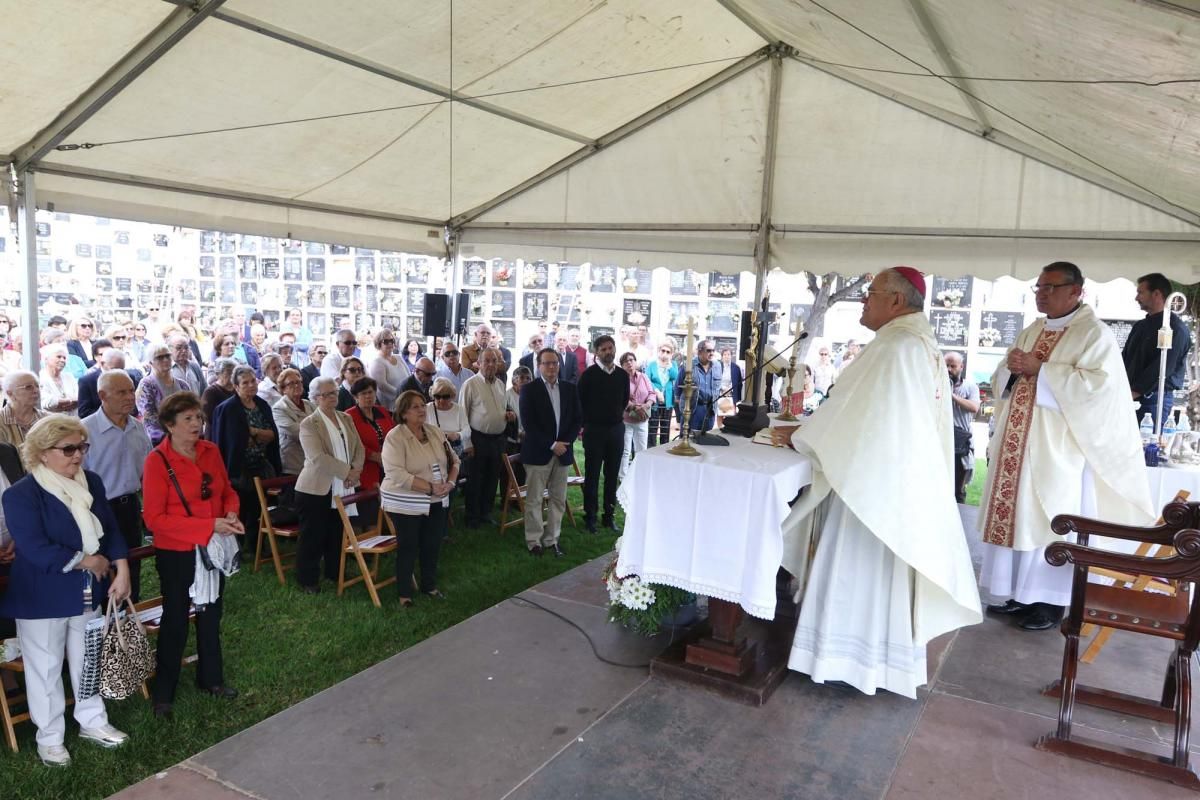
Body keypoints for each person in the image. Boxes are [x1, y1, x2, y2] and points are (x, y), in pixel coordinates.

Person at [771, 267, 982, 698]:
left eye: (872, 293)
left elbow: (860, 415)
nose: (864, 301)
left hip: (872, 488)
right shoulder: (917, 342)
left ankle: (839, 658)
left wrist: (803, 434)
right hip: (893, 483)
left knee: (856, 568)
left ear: (897, 301)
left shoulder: (898, 346)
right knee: (876, 578)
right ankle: (873, 663)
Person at [979, 261, 1155, 631]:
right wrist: (1012, 368)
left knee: (1049, 520)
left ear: (1077, 291)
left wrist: (1041, 369)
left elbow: (1100, 390)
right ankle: (1018, 595)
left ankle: (1049, 603)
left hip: (1058, 453)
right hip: (1018, 445)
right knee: (1018, 518)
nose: (1042, 293)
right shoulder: (1032, 329)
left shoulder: (1094, 334)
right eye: (1038, 287)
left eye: (1050, 287)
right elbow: (1004, 376)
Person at [1, 415, 132, 764]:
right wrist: (88, 560)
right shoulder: (21, 495)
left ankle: (92, 721)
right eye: (69, 449)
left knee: (88, 659)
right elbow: (33, 547)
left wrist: (122, 568)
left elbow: (111, 530)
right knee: (44, 668)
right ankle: (50, 737)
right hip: (41, 596)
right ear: (43, 453)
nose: (78, 456)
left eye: (82, 447)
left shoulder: (91, 481)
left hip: (88, 591)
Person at [142, 392, 241, 718]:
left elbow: (227, 491)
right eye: (188, 419)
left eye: (199, 417)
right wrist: (207, 525)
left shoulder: (210, 451)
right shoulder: (157, 461)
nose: (197, 424)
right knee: (175, 621)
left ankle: (211, 680)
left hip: (212, 549)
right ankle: (164, 694)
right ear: (169, 425)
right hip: (178, 552)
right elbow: (154, 520)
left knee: (212, 613)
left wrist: (229, 513)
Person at [380, 390, 458, 607]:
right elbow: (396, 473)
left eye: (423, 405)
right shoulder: (395, 437)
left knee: (432, 544)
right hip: (405, 500)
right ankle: (404, 593)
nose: (422, 409)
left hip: (437, 496)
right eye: (415, 406)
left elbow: (455, 460)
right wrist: (430, 487)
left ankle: (429, 586)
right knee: (408, 546)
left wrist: (449, 484)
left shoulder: (434, 431)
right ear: (403, 413)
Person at [82, 370, 153, 603]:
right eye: (121, 392)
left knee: (131, 561)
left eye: (131, 391)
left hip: (130, 505)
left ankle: (130, 617)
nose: (129, 397)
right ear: (102, 395)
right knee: (102, 567)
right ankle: (104, 622)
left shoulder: (138, 427)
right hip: (98, 509)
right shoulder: (85, 430)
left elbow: (147, 470)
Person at [294, 377, 364, 594]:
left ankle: (335, 571)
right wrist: (347, 472)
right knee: (313, 535)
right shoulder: (308, 424)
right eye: (326, 394)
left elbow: (358, 447)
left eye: (334, 392)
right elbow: (317, 457)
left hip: (343, 484)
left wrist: (356, 471)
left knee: (337, 532)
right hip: (315, 488)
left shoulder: (346, 418)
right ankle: (308, 579)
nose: (332, 397)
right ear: (315, 398)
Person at [211, 366, 282, 559]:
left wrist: (255, 433)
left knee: (258, 508)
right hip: (237, 468)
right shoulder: (227, 409)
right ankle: (236, 549)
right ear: (235, 386)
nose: (251, 385)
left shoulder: (262, 404)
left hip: (261, 463)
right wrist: (254, 435)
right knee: (238, 509)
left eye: (253, 381)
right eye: (245, 383)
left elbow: (272, 435)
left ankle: (256, 545)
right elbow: (226, 441)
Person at [520, 348, 582, 556]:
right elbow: (529, 424)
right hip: (539, 452)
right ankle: (534, 541)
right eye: (547, 363)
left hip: (563, 451)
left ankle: (552, 539)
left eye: (555, 363)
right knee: (535, 499)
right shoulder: (529, 390)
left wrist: (565, 442)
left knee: (558, 498)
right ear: (539, 366)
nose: (552, 367)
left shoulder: (569, 388)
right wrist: (551, 444)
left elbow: (577, 419)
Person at [1123, 272, 1192, 427]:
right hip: (1128, 396)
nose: (1136, 298)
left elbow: (1164, 367)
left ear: (1156, 294)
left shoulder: (1176, 329)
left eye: (1140, 292)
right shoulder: (1140, 326)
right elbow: (1125, 359)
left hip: (1153, 400)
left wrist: (1135, 392)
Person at [578, 335, 630, 533]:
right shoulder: (589, 375)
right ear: (596, 353)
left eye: (611, 348)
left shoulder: (622, 376)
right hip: (594, 430)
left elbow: (624, 400)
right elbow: (580, 402)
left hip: (616, 430)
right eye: (604, 349)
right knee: (592, 475)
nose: (608, 352)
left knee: (612, 475)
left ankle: (609, 516)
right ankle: (590, 517)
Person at [459, 349, 514, 528]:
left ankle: (486, 512)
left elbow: (500, 408)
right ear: (479, 363)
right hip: (478, 438)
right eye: (487, 361)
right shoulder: (470, 384)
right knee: (476, 478)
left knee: (492, 478)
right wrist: (467, 443)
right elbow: (462, 415)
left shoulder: (500, 384)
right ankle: (472, 516)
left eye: (494, 361)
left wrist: (507, 415)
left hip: (498, 439)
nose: (491, 364)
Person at [346, 377, 395, 523]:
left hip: (388, 464)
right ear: (355, 397)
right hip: (364, 468)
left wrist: (388, 456)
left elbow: (393, 434)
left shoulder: (382, 411)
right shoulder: (349, 416)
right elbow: (351, 443)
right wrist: (375, 456)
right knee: (370, 511)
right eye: (363, 394)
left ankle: (389, 530)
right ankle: (371, 534)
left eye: (371, 392)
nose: (368, 396)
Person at [137, 343, 191, 445]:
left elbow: (191, 411)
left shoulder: (183, 385)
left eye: (167, 356)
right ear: (150, 362)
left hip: (185, 438)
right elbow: (149, 418)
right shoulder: (146, 385)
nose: (165, 360)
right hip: (160, 441)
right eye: (160, 357)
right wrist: (171, 437)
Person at [944, 352, 979, 504]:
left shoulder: (970, 386)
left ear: (961, 367)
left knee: (958, 489)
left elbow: (974, 407)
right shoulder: (936, 385)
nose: (948, 369)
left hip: (961, 443)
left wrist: (951, 396)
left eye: (953, 366)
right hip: (941, 440)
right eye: (946, 365)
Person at [619, 352, 655, 480]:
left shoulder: (643, 377)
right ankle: (623, 478)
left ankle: (640, 476)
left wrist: (646, 405)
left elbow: (652, 393)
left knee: (642, 449)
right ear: (622, 365)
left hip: (642, 418)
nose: (629, 363)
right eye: (626, 361)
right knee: (625, 450)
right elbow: (620, 397)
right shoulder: (620, 379)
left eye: (632, 360)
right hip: (626, 419)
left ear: (635, 362)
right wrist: (634, 407)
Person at [272, 368, 314, 476]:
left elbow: (324, 425)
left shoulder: (309, 404)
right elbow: (297, 432)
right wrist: (316, 428)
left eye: (298, 382)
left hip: (314, 461)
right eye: (291, 383)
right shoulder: (279, 409)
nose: (297, 385)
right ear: (283, 389)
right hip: (294, 465)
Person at [679, 339, 722, 432]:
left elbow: (718, 387)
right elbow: (678, 387)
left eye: (713, 350)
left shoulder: (717, 366)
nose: (711, 353)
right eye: (708, 350)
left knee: (705, 441)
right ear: (700, 351)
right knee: (689, 438)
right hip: (693, 409)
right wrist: (683, 408)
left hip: (710, 410)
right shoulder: (688, 365)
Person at [426, 377, 470, 463]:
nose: (441, 400)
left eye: (445, 397)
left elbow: (467, 430)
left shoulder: (459, 409)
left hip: (454, 452)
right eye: (437, 397)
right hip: (433, 452)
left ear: (452, 396)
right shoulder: (427, 408)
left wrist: (458, 435)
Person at [0, 370, 48, 446]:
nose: (36, 390)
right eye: (28, 387)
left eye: (37, 386)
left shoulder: (47, 419)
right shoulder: (2, 421)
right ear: (10, 393)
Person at [367, 327, 409, 412]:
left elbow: (409, 377)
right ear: (379, 344)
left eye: (392, 341)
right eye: (386, 342)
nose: (390, 344)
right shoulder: (377, 362)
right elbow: (382, 386)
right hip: (390, 407)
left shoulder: (399, 357)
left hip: (405, 402)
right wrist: (402, 395)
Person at [646, 340, 678, 448]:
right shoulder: (652, 364)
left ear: (671, 354)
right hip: (654, 399)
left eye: (668, 352)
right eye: (663, 351)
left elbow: (675, 377)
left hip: (668, 400)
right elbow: (647, 380)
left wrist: (669, 366)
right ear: (658, 351)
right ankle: (651, 449)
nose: (665, 353)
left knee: (665, 428)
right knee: (652, 427)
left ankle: (664, 450)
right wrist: (657, 391)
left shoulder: (673, 364)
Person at [77, 344, 123, 419]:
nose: (117, 373)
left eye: (121, 369)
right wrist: (112, 413)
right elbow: (83, 412)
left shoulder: (129, 377)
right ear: (102, 363)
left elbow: (134, 407)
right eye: (113, 369)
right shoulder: (87, 381)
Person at [201, 357, 238, 439]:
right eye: (228, 372)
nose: (232, 375)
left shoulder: (236, 389)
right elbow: (208, 416)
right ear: (218, 374)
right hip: (217, 433)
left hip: (234, 431)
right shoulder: (211, 391)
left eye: (234, 372)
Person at [39, 343, 80, 415]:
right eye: (59, 357)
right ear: (46, 359)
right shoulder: (40, 377)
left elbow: (79, 397)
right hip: (52, 422)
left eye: (64, 358)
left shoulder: (69, 377)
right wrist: (71, 401)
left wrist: (60, 404)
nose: (62, 360)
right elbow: (47, 403)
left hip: (73, 421)